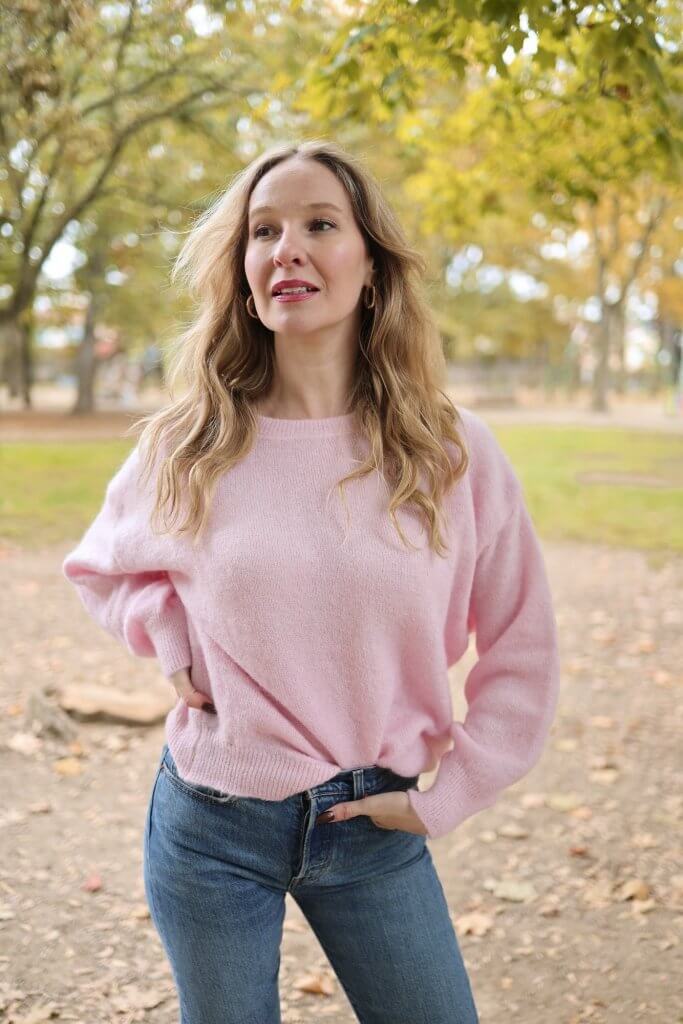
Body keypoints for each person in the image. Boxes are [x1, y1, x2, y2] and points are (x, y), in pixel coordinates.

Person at [61, 139, 560, 1024]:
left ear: (371, 268)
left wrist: (454, 791)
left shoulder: (451, 452)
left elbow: (522, 642)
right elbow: (101, 566)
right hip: (211, 823)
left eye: (319, 225)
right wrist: (170, 638)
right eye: (263, 232)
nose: (286, 248)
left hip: (372, 824)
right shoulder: (189, 443)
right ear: (244, 274)